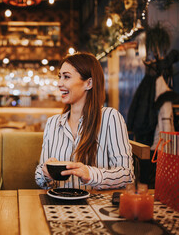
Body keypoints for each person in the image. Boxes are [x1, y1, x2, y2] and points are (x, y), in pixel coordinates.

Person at [35, 52, 135, 190]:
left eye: (66, 77)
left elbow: (127, 175)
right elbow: (39, 177)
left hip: (96, 206)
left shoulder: (110, 117)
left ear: (89, 83)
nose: (59, 83)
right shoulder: (52, 123)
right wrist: (45, 174)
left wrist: (91, 175)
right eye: (59, 77)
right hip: (58, 205)